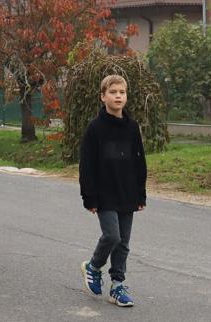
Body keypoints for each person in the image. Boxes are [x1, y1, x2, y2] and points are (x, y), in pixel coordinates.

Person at [80, 74, 147, 308]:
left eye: (122, 92)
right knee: (112, 236)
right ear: (103, 96)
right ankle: (93, 266)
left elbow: (140, 162)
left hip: (127, 192)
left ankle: (118, 286)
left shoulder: (132, 127)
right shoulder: (95, 128)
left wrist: (140, 193)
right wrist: (89, 196)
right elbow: (86, 164)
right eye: (113, 92)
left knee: (124, 243)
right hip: (104, 193)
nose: (118, 96)